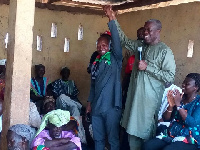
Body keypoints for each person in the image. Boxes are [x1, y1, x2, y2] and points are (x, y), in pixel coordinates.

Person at [104, 6, 176, 150]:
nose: (145, 32)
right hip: (134, 99)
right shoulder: (140, 45)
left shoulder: (165, 51)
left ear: (158, 31)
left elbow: (170, 76)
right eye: (145, 29)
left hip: (147, 103)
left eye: (149, 30)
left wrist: (148, 67)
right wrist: (112, 19)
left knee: (144, 135)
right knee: (131, 132)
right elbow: (123, 40)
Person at [86, 12, 123, 150]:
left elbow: (117, 42)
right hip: (96, 107)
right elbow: (93, 85)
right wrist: (89, 104)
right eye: (99, 45)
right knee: (98, 139)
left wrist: (111, 19)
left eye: (105, 45)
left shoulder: (115, 59)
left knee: (113, 139)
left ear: (110, 47)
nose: (101, 47)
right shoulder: (95, 63)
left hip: (111, 107)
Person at [143, 73, 200, 150]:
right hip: (173, 132)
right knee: (147, 146)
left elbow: (192, 123)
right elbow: (166, 119)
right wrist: (171, 105)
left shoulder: (198, 102)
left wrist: (178, 105)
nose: (183, 85)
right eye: (183, 83)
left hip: (189, 137)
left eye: (187, 84)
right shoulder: (180, 97)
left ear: (195, 87)